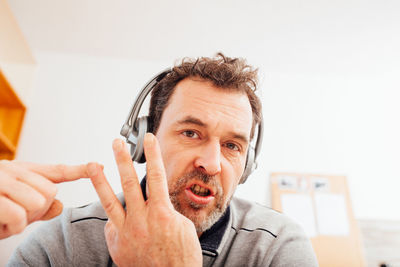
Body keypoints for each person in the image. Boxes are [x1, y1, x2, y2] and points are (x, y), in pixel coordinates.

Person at [4, 54, 318, 266]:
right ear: (144, 140)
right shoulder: (63, 241)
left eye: (232, 146)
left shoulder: (277, 247)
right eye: (191, 133)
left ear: (246, 165)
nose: (211, 163)